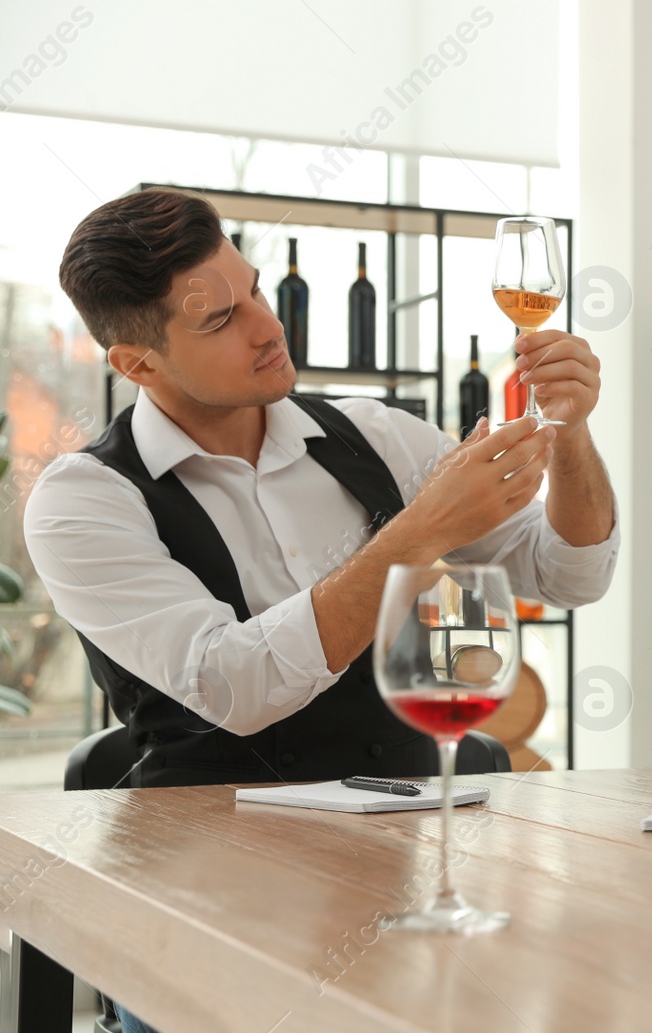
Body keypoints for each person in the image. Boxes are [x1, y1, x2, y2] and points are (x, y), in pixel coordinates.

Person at [27, 188, 619, 789]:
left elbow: (570, 576)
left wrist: (569, 434)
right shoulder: (82, 501)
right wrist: (424, 530)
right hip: (201, 856)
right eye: (221, 319)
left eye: (254, 290)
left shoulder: (380, 435)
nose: (269, 327)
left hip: (402, 852)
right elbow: (235, 687)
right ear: (138, 365)